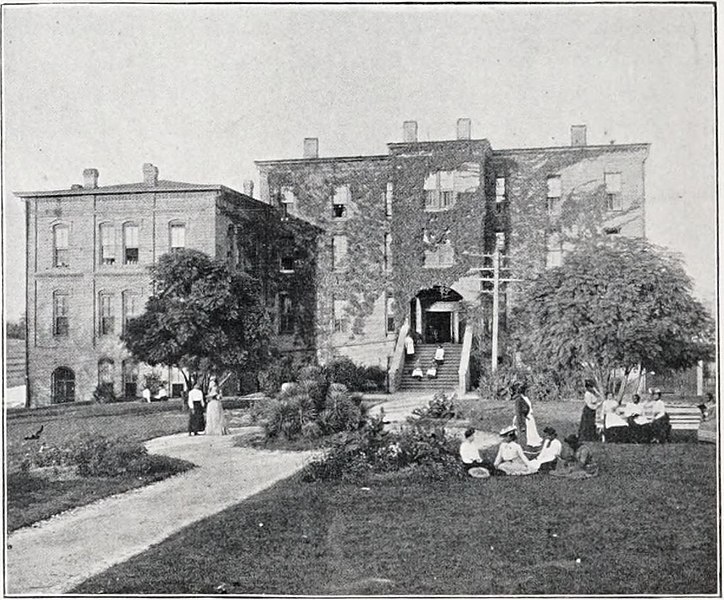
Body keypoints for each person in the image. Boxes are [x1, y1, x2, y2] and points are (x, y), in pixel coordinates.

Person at [512, 382, 542, 449]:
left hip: (529, 416)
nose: (529, 392)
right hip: (524, 418)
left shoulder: (526, 398)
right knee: (526, 432)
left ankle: (533, 441)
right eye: (527, 391)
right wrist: (522, 423)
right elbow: (518, 412)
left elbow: (529, 407)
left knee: (532, 431)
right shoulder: (519, 400)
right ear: (523, 391)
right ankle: (526, 444)